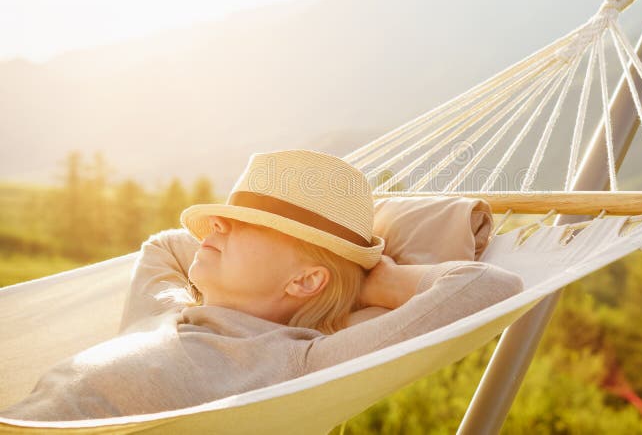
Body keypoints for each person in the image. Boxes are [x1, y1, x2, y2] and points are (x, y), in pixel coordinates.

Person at [0, 149, 524, 421]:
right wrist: (334, 274)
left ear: (305, 279)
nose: (215, 226)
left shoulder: (299, 363)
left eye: (248, 224)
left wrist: (372, 282)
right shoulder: (163, 309)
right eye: (223, 216)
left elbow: (487, 287)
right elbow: (165, 244)